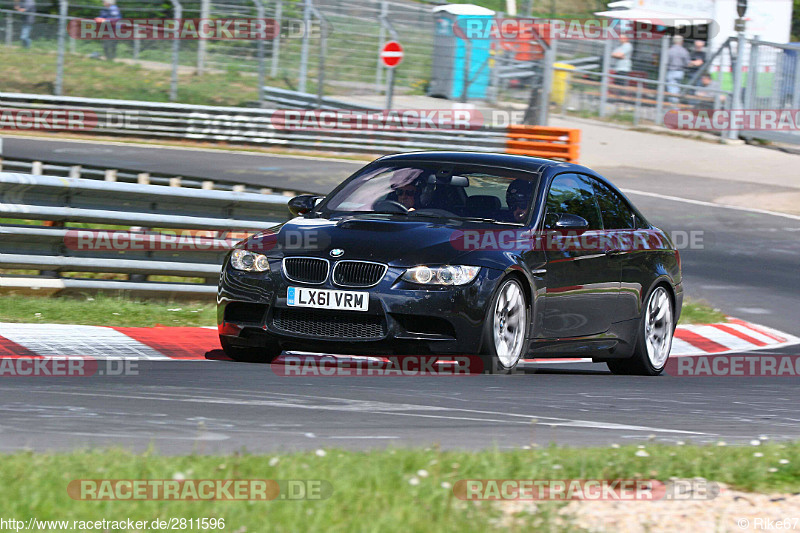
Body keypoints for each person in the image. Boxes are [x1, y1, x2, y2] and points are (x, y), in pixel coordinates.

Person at [666, 35, 690, 103]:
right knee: (676, 88)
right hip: (680, 72)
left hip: (671, 71)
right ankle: (675, 104)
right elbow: (687, 63)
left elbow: (666, 61)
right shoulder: (684, 51)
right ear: (682, 42)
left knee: (671, 89)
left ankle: (674, 106)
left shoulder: (670, 50)